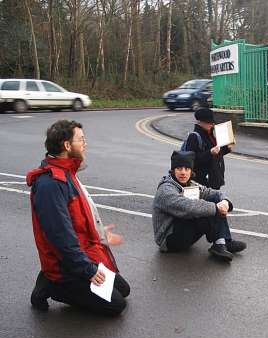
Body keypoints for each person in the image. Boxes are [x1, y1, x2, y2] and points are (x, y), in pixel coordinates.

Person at [27, 120, 130, 316]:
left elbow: (78, 219)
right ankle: (51, 284)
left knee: (123, 290)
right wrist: (88, 271)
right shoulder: (50, 185)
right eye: (81, 139)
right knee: (117, 305)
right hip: (66, 266)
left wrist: (99, 233)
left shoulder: (67, 172)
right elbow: (60, 238)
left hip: (82, 255)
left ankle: (54, 279)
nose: (85, 143)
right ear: (67, 145)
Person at [152, 150, 246, 262]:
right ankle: (220, 244)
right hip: (169, 239)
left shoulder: (190, 184)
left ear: (191, 171)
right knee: (204, 209)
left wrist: (225, 202)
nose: (183, 172)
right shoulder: (166, 190)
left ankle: (223, 241)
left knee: (213, 200)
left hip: (183, 231)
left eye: (186, 169)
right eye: (179, 169)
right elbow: (188, 207)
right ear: (173, 170)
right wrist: (216, 208)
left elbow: (213, 192)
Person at [184, 108, 231, 190]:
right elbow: (192, 159)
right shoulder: (194, 136)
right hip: (201, 181)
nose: (212, 125)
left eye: (212, 123)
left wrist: (227, 148)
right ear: (200, 122)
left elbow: (217, 153)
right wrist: (210, 152)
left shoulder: (211, 135)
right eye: (209, 122)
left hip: (214, 179)